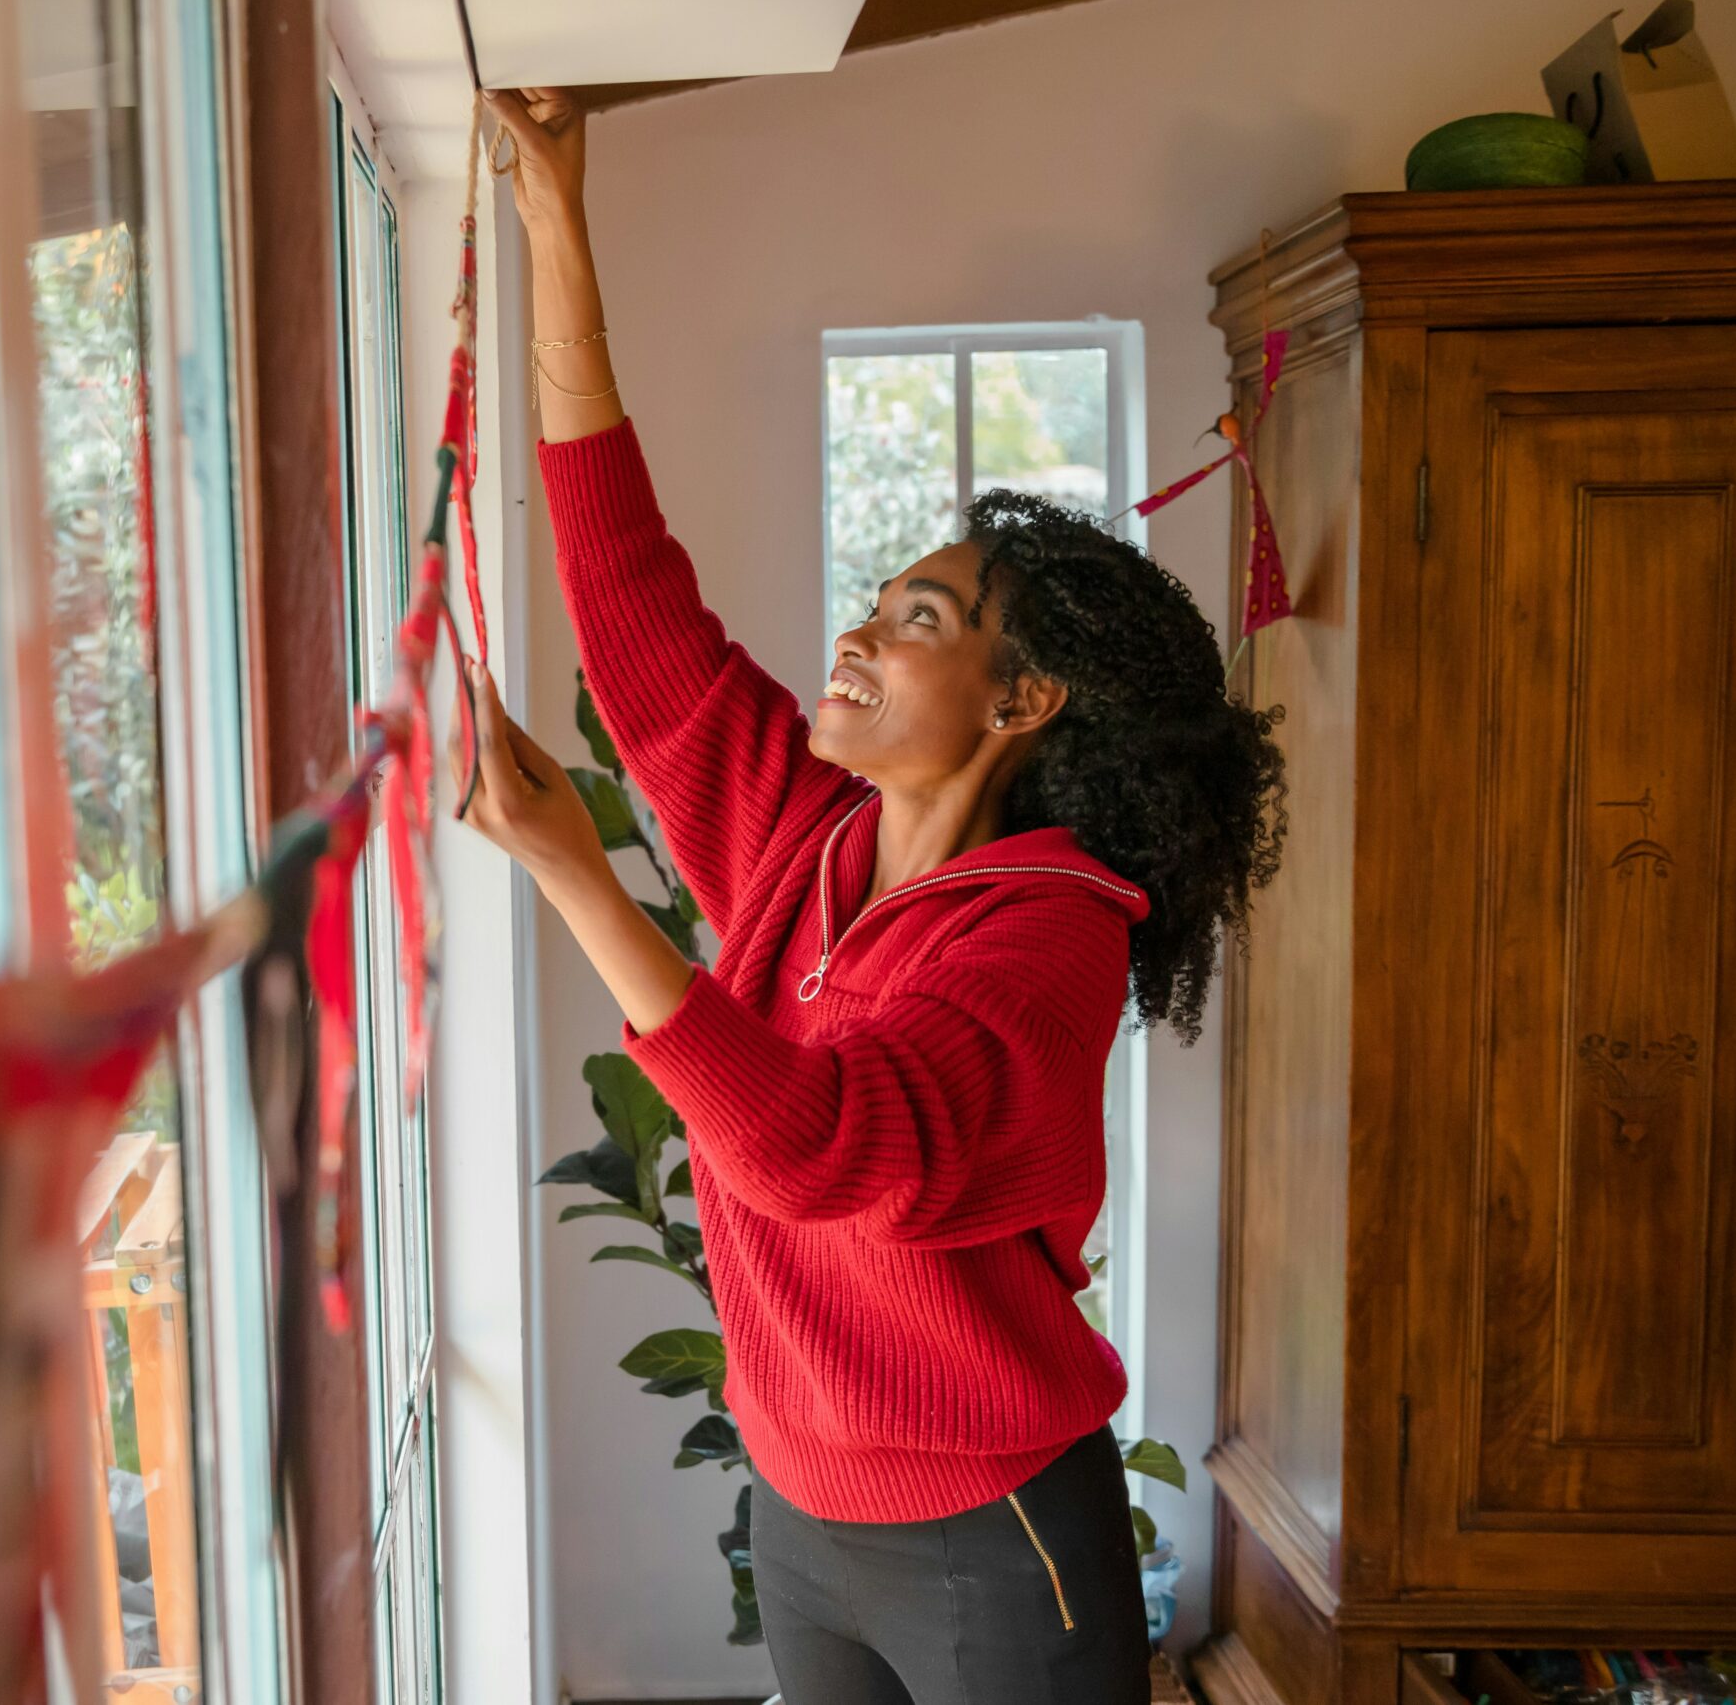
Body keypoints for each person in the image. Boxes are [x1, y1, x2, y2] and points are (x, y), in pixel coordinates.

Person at [460, 87, 1286, 1705]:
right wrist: (559, 222)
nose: (858, 631)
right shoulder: (804, 833)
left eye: (915, 615)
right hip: (800, 1507)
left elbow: (828, 1147)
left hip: (997, 1538)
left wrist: (577, 875)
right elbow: (630, 591)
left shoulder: (1048, 937)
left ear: (1020, 701)